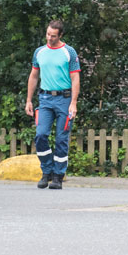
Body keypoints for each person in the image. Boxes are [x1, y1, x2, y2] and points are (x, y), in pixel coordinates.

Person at [25, 20, 80, 189]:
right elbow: (34, 76)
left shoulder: (68, 52)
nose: (49, 38)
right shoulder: (39, 52)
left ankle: (58, 176)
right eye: (48, 34)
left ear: (60, 35)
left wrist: (73, 103)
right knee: (41, 135)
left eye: (53, 36)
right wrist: (29, 100)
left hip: (64, 99)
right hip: (45, 99)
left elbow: (75, 78)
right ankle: (46, 171)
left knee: (61, 138)